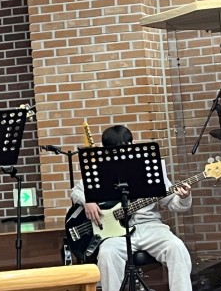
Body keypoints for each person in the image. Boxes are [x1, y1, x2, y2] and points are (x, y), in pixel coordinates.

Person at [71, 125, 193, 291]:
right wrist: (88, 201)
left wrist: (184, 197)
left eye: (123, 149)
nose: (119, 154)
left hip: (150, 227)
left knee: (176, 247)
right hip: (115, 234)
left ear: (133, 144)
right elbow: (76, 191)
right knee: (107, 253)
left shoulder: (150, 167)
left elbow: (173, 203)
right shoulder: (100, 170)